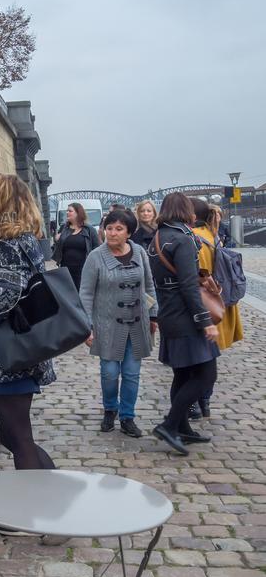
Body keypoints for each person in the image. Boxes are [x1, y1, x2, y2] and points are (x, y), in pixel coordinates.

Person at [0, 173, 56, 472]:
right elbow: (13, 292)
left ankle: (33, 507)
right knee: (17, 436)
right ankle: (51, 489)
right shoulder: (24, 240)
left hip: (10, 357)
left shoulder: (7, 244)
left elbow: (2, 298)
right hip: (21, 349)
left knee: (18, 438)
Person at [148, 192, 220, 456]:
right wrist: (205, 321)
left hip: (169, 312)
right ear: (186, 210)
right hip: (186, 316)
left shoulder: (157, 237)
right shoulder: (183, 239)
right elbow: (189, 286)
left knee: (183, 373)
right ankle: (168, 425)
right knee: (205, 375)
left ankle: (182, 427)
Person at [80, 208, 158, 437]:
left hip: (137, 323)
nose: (112, 233)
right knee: (110, 373)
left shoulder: (140, 253)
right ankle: (110, 409)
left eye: (118, 229)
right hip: (107, 325)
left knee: (132, 374)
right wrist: (87, 326)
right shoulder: (96, 257)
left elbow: (149, 285)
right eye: (109, 228)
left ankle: (127, 417)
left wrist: (153, 315)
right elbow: (85, 293)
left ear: (129, 233)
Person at [189, 198, 243, 418]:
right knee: (209, 355)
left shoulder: (195, 239)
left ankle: (195, 400)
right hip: (218, 301)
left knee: (197, 356)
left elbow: (197, 274)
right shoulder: (213, 235)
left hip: (204, 302)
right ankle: (205, 400)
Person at [52, 202, 99, 290]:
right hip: (66, 268)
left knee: (81, 292)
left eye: (70, 211)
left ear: (78, 213)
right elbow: (58, 247)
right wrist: (57, 240)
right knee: (68, 293)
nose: (67, 213)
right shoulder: (64, 228)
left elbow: (96, 248)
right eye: (67, 211)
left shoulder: (89, 229)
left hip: (83, 268)